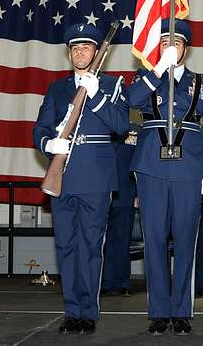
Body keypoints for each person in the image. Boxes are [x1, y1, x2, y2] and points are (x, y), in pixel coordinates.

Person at [128, 18, 203, 335]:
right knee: (153, 241)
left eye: (178, 44)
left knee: (186, 241)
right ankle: (158, 311)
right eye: (167, 44)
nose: (173, 48)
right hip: (152, 170)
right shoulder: (146, 78)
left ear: (187, 48)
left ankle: (181, 310)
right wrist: (159, 69)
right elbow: (131, 102)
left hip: (189, 172)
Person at [33, 23, 129, 335]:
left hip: (96, 179)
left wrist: (96, 94)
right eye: (75, 48)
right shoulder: (57, 89)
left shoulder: (112, 85)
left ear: (96, 52)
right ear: (69, 53)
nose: (79, 52)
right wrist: (49, 145)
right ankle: (71, 310)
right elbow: (41, 127)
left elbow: (121, 125)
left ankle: (88, 312)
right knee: (65, 246)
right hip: (64, 174)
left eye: (86, 47)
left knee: (90, 246)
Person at [101, 123, 139, 297]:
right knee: (101, 241)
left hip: (126, 192)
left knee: (123, 239)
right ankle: (103, 281)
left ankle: (121, 281)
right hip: (101, 191)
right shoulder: (101, 126)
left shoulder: (136, 131)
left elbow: (139, 163)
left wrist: (139, 193)